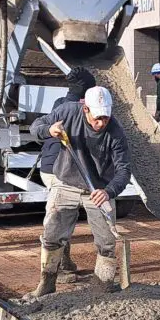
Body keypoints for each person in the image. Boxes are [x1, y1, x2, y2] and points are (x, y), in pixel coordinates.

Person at [29, 86, 131, 298]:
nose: (101, 123)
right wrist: (48, 131)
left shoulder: (115, 131)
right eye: (97, 118)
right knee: (52, 233)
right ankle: (47, 283)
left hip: (99, 189)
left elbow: (124, 170)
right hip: (65, 181)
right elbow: (36, 126)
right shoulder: (67, 112)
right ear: (85, 109)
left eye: (106, 117)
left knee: (106, 241)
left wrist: (109, 191)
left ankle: (102, 285)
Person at [37, 67, 97, 279]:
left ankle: (65, 261)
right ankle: (56, 269)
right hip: (58, 169)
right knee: (59, 216)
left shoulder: (59, 104)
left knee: (64, 215)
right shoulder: (78, 109)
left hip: (48, 166)